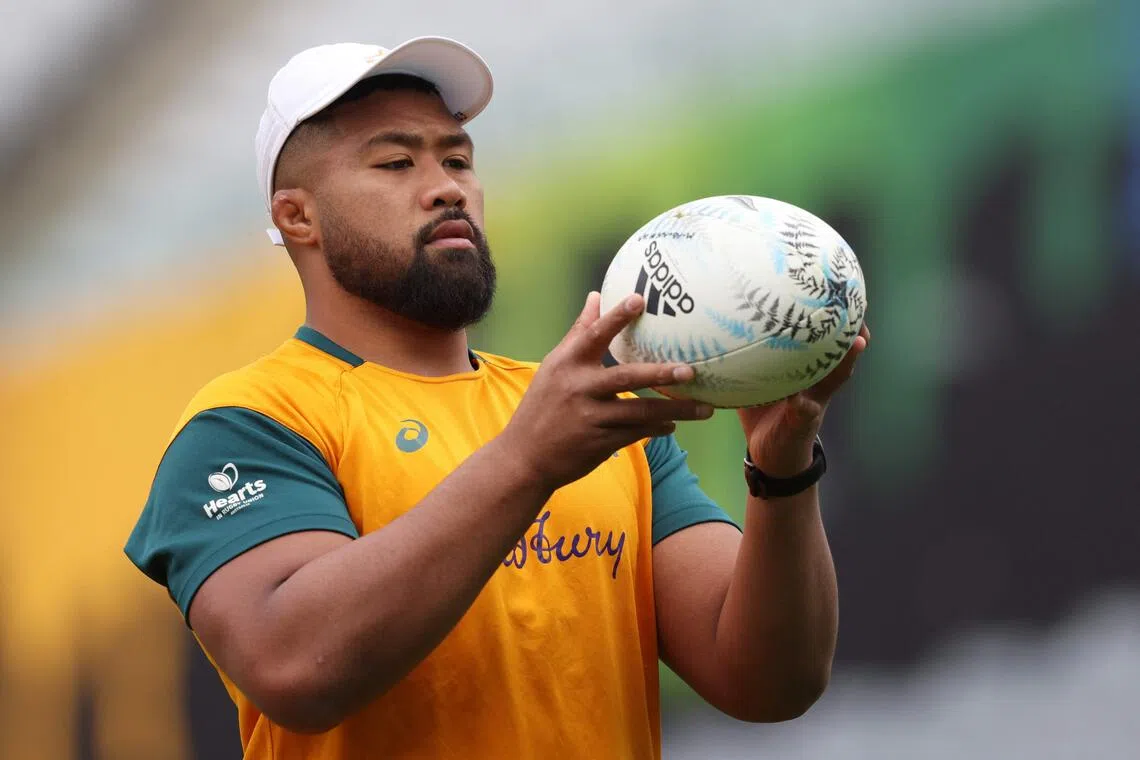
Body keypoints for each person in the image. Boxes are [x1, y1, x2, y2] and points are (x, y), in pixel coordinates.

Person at [124, 36, 869, 760]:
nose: (447, 184)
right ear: (297, 217)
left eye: (457, 158)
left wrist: (782, 473)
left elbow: (770, 685)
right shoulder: (251, 423)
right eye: (394, 161)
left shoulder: (589, 415)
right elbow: (296, 668)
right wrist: (527, 460)